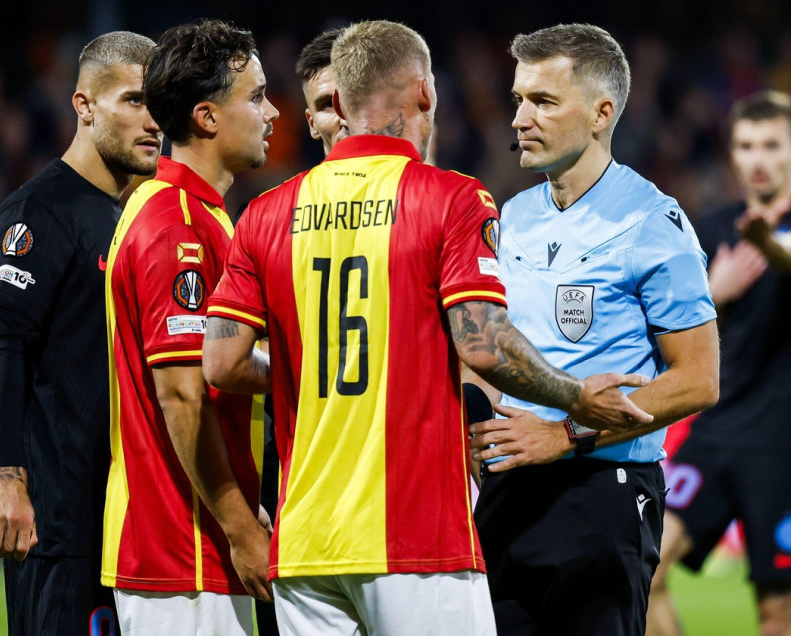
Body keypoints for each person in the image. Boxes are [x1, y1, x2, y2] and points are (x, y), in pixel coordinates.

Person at [202, 20, 653, 635]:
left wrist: (315, 371)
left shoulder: (265, 213)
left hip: (304, 540)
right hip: (415, 537)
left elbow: (222, 366)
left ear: (338, 103)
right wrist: (577, 398)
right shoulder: (453, 200)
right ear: (424, 92)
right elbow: (484, 345)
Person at [468, 24, 719, 636]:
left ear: (602, 113)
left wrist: (567, 433)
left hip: (601, 491)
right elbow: (492, 345)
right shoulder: (516, 214)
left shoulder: (651, 221)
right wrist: (484, 418)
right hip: (508, 487)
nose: (521, 118)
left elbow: (698, 380)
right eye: (519, 99)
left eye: (544, 101)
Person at [0, 31, 160, 634]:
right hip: (56, 525)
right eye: (133, 101)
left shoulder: (129, 216)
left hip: (114, 521)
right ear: (83, 105)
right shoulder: (41, 211)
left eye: (158, 103)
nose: (153, 120)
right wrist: (7, 476)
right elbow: (2, 343)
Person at [101, 20, 277, 636]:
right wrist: (239, 528)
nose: (272, 113)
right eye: (255, 97)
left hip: (192, 542)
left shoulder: (197, 214)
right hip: (180, 551)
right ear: (206, 117)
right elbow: (181, 392)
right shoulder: (176, 227)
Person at [647, 91, 791, 636]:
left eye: (771, 145)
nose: (757, 158)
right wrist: (717, 289)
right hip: (712, 437)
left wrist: (768, 243)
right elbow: (669, 323)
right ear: (733, 154)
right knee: (644, 571)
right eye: (746, 145)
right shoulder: (709, 230)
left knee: (777, 617)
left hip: (782, 452)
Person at [296, 28, 348, 155]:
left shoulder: (405, 173)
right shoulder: (304, 176)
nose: (344, 120)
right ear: (312, 125)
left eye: (357, 101)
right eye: (329, 105)